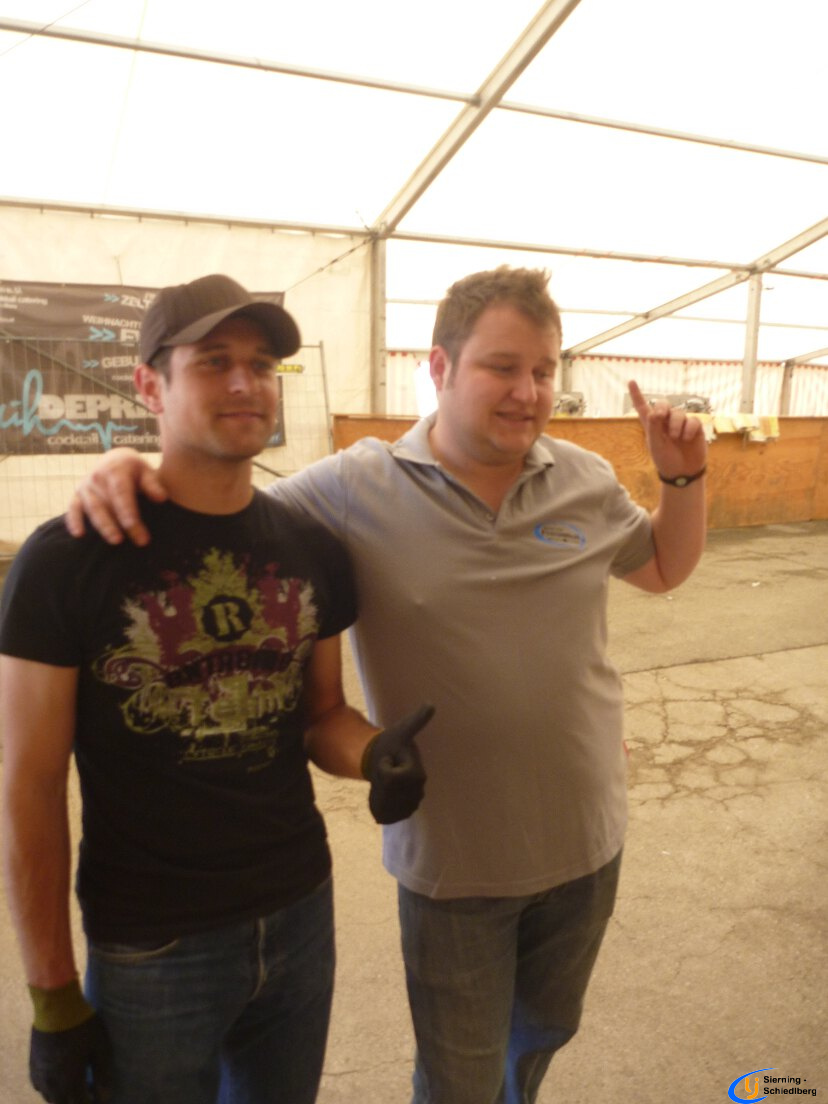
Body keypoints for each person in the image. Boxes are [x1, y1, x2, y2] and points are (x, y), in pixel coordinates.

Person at [64, 266, 708, 1104]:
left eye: (544, 370)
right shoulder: (352, 488)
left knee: (545, 1033)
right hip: (455, 862)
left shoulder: (583, 478)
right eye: (502, 367)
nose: (528, 392)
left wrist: (682, 480)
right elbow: (222, 507)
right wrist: (127, 467)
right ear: (439, 368)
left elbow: (662, 568)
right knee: (458, 1079)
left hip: (588, 837)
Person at [0, 274, 433, 1104]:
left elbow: (322, 716)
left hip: (299, 912)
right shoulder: (67, 560)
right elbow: (30, 785)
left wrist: (375, 754)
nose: (245, 382)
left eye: (262, 364)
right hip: (152, 946)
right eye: (213, 361)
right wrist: (52, 995)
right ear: (148, 385)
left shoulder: (311, 547)